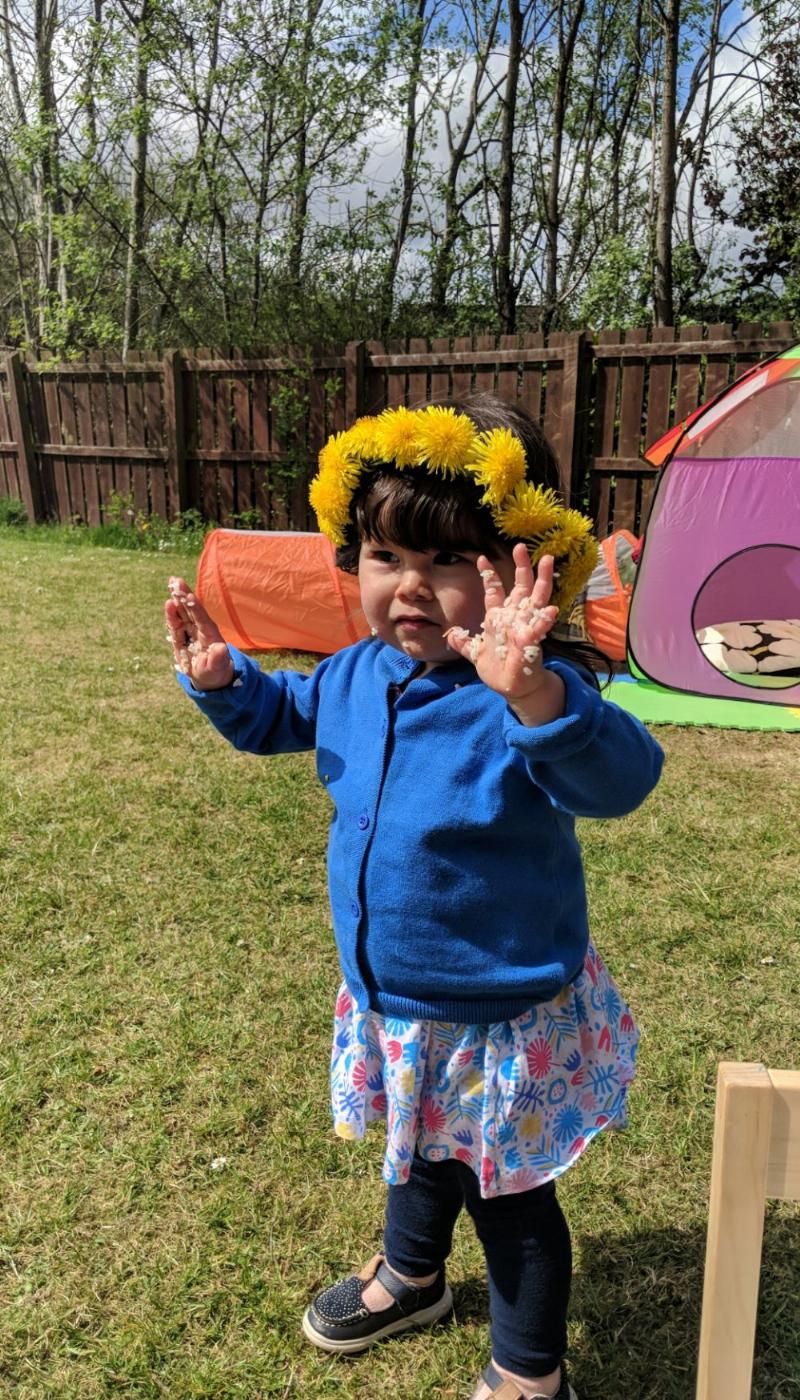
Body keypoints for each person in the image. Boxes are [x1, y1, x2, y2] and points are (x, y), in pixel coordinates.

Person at [165, 395, 664, 1400]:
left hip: (495, 1013)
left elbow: (621, 780)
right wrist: (226, 683)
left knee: (507, 1200)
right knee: (417, 1150)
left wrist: (534, 695)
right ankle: (412, 1274)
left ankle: (530, 1373)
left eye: (447, 560)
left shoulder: (523, 693)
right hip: (395, 997)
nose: (409, 586)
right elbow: (283, 715)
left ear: (521, 566)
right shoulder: (355, 673)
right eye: (385, 555)